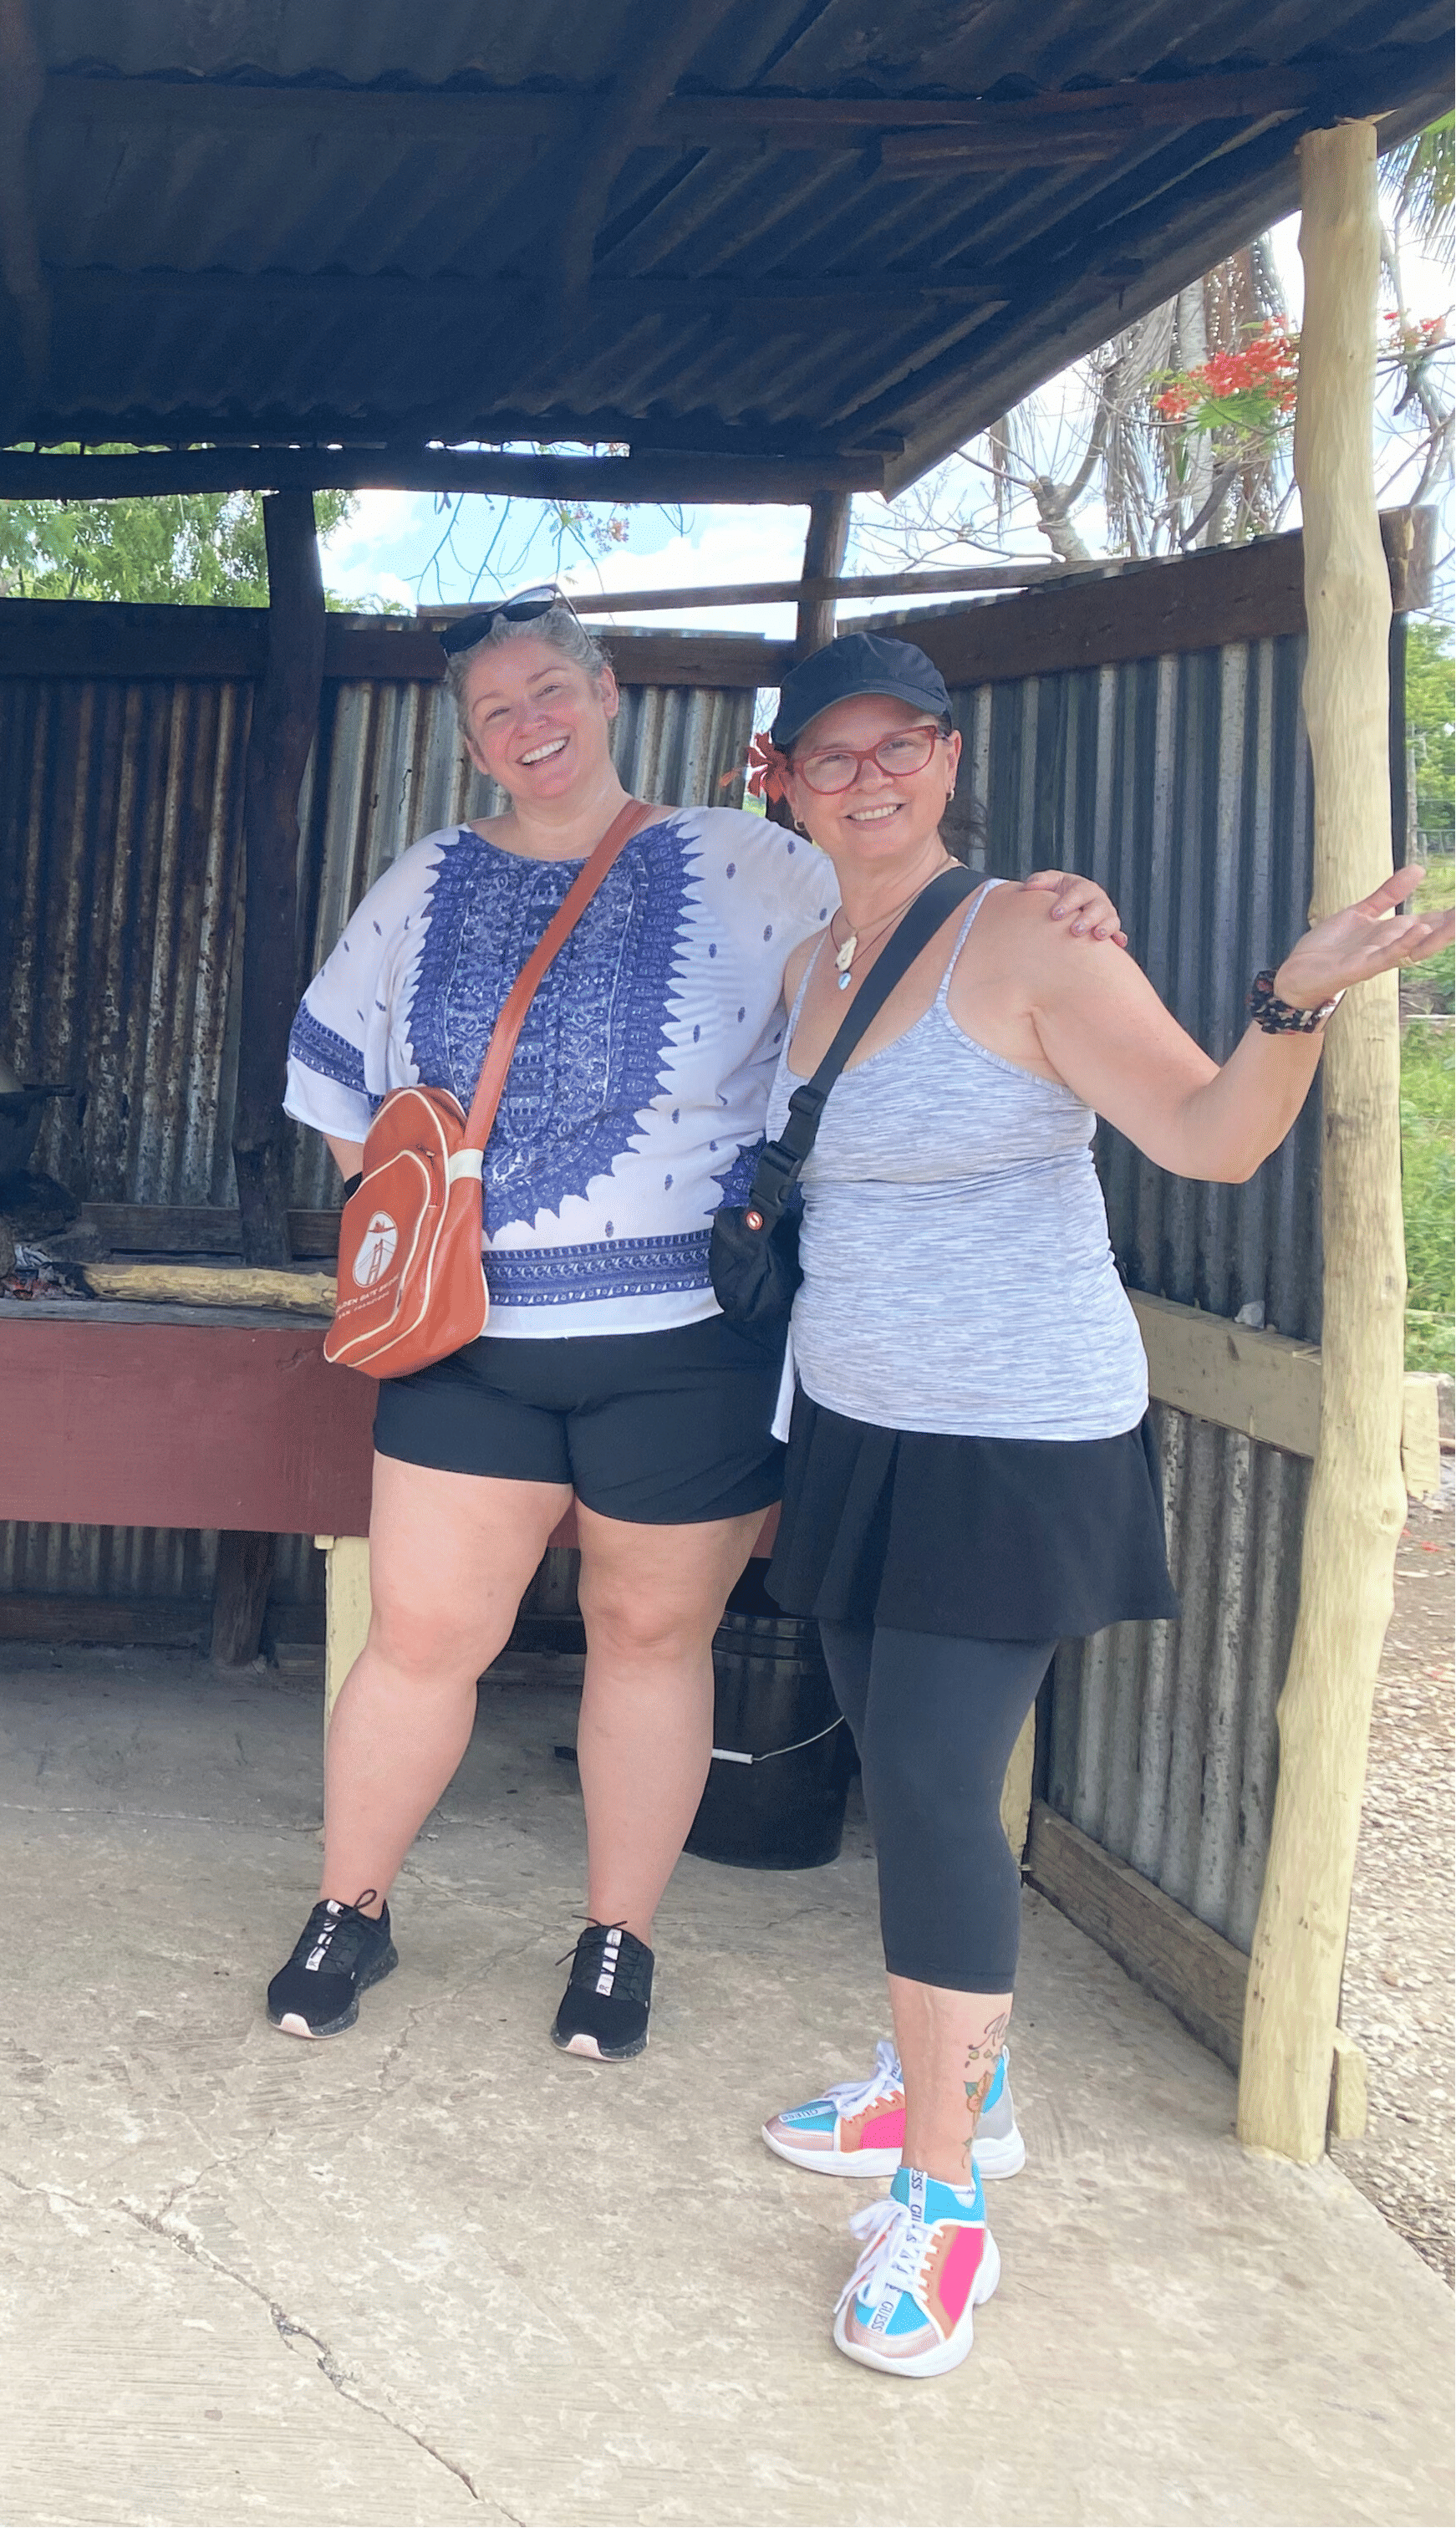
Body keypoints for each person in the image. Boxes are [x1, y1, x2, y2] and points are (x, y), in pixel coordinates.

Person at [268, 588, 1120, 2063]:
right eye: (496, 711)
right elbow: (337, 1080)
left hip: (688, 1345)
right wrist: (421, 1230)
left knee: (651, 1636)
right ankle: (353, 1904)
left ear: (607, 696)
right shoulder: (420, 882)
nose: (530, 725)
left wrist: (1060, 910)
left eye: (551, 692)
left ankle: (619, 1937)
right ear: (470, 743)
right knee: (419, 1636)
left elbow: (910, 943)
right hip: (468, 1345)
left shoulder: (759, 862)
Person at [741, 631, 1448, 2378]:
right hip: (857, 1423)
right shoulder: (815, 951)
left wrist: (1291, 999)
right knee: (890, 1762)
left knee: (928, 1793)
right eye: (832, 756)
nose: (872, 777)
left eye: (901, 745)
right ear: (782, 785)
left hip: (1015, 1438)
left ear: (950, 760)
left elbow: (1212, 1138)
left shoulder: (1033, 937)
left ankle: (948, 2201)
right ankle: (941, 2081)